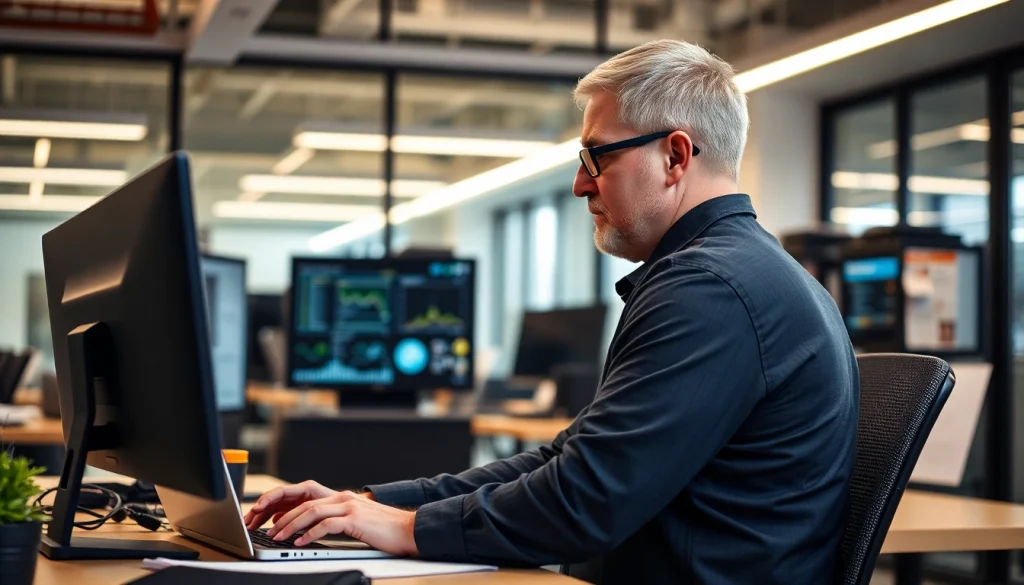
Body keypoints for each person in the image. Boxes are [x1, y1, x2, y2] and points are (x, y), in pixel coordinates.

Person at [245, 39, 859, 584]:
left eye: (598, 158)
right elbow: (566, 462)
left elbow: (586, 501)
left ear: (675, 156)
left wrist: (407, 529)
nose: (580, 184)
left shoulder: (710, 288)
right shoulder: (737, 273)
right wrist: (372, 502)